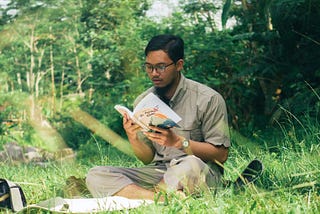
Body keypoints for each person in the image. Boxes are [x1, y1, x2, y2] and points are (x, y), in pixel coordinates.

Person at [86, 34, 230, 200]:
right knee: (96, 174)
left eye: (161, 67)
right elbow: (148, 159)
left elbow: (221, 155)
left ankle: (146, 196)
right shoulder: (143, 101)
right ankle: (161, 198)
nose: (154, 73)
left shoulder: (208, 99)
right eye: (149, 67)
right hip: (160, 172)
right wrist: (133, 137)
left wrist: (178, 142)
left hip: (198, 172)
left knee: (190, 164)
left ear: (179, 65)